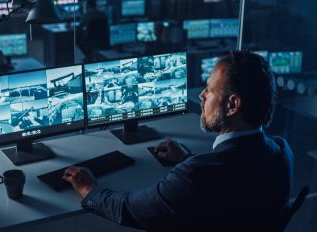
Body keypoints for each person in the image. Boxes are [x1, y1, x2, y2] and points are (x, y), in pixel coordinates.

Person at [63, 51, 293, 231]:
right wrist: (186, 159)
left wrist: (88, 189)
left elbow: (129, 209)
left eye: (210, 90)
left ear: (233, 105)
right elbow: (233, 185)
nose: (201, 95)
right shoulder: (281, 152)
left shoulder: (196, 175)